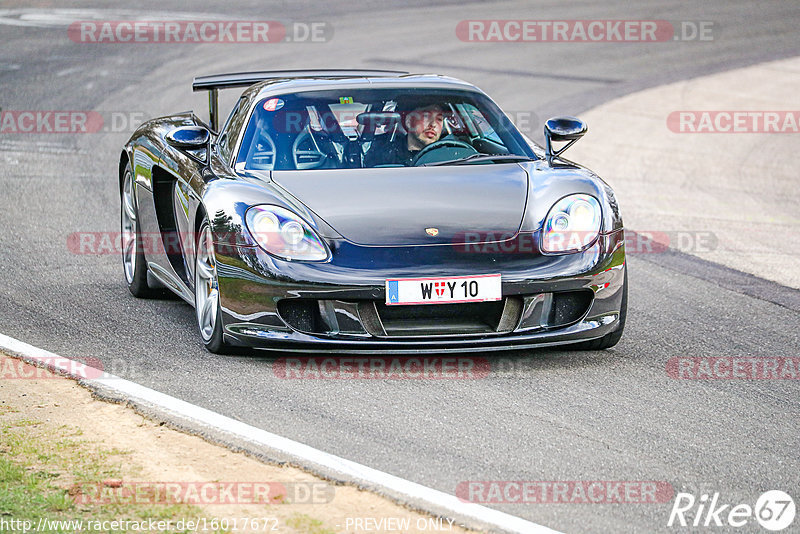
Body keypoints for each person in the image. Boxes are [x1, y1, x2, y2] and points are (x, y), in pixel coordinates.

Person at [363, 99, 446, 167]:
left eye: (439, 119)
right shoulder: (384, 156)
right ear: (409, 121)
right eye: (426, 116)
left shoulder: (449, 156)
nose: (433, 124)